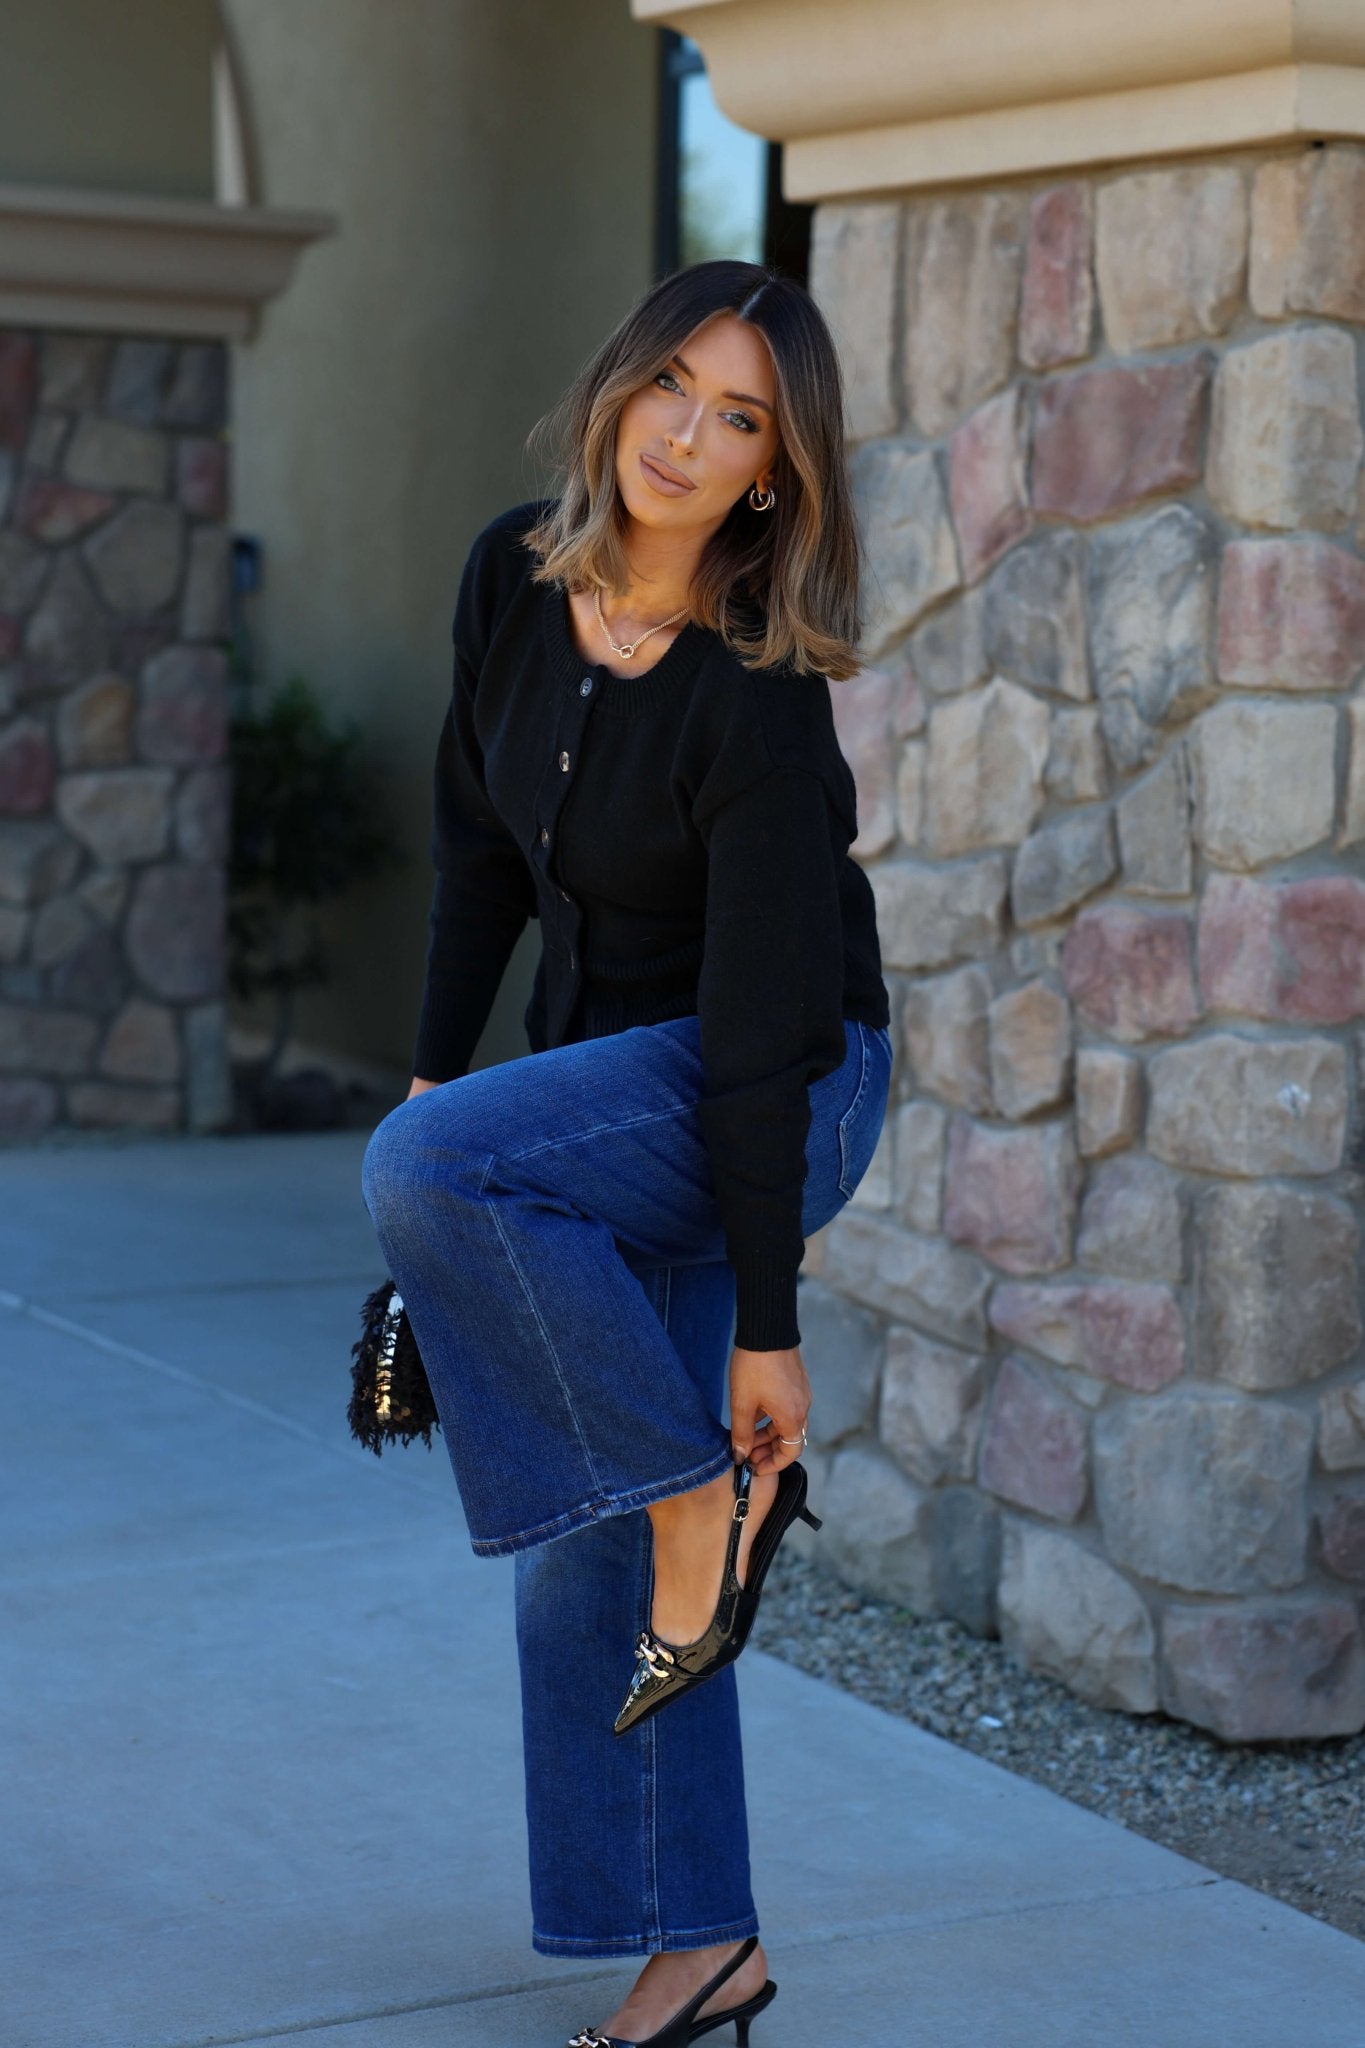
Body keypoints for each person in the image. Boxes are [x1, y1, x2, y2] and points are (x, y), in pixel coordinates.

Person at [360, 257, 892, 2048]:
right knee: (590, 1560)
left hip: (785, 1094)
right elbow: (480, 858)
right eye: (671, 384)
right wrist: (444, 1079)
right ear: (614, 387)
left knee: (441, 1204)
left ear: (773, 473)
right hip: (607, 1100)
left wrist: (765, 1324)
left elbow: (757, 1042)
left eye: (738, 416)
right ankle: (701, 1950)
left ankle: (697, 1498)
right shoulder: (515, 580)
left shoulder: (753, 690)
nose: (685, 433)